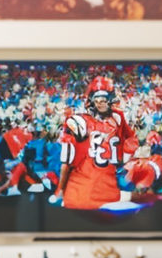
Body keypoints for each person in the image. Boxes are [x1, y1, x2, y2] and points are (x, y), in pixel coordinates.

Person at [50, 76, 136, 209]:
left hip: (83, 194)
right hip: (106, 194)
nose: (101, 103)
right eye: (98, 100)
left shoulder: (82, 121)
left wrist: (59, 191)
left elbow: (66, 163)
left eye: (103, 100)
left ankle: (59, 191)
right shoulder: (117, 118)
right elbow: (130, 141)